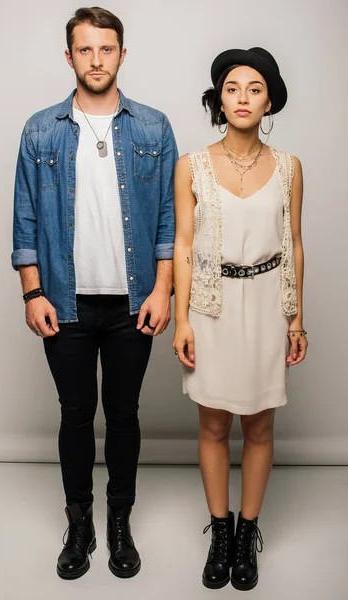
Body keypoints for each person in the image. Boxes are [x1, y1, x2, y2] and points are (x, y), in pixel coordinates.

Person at [11, 6, 177, 580]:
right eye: (86, 50)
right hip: (65, 300)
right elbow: (26, 218)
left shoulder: (154, 127)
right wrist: (33, 293)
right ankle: (78, 523)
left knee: (125, 415)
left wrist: (163, 290)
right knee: (76, 414)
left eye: (107, 49)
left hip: (135, 303)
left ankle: (120, 521)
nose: (97, 59)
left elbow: (168, 224)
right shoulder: (40, 129)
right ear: (69, 57)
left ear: (122, 55)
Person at [172, 47, 308, 591]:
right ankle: (221, 531)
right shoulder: (192, 165)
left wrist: (296, 320)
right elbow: (182, 244)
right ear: (219, 97)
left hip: (268, 305)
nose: (243, 97)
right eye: (232, 88)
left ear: (269, 98)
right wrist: (182, 319)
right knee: (212, 424)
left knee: (259, 424)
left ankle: (249, 531)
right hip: (211, 305)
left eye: (254, 88)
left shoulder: (292, 167)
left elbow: (295, 244)